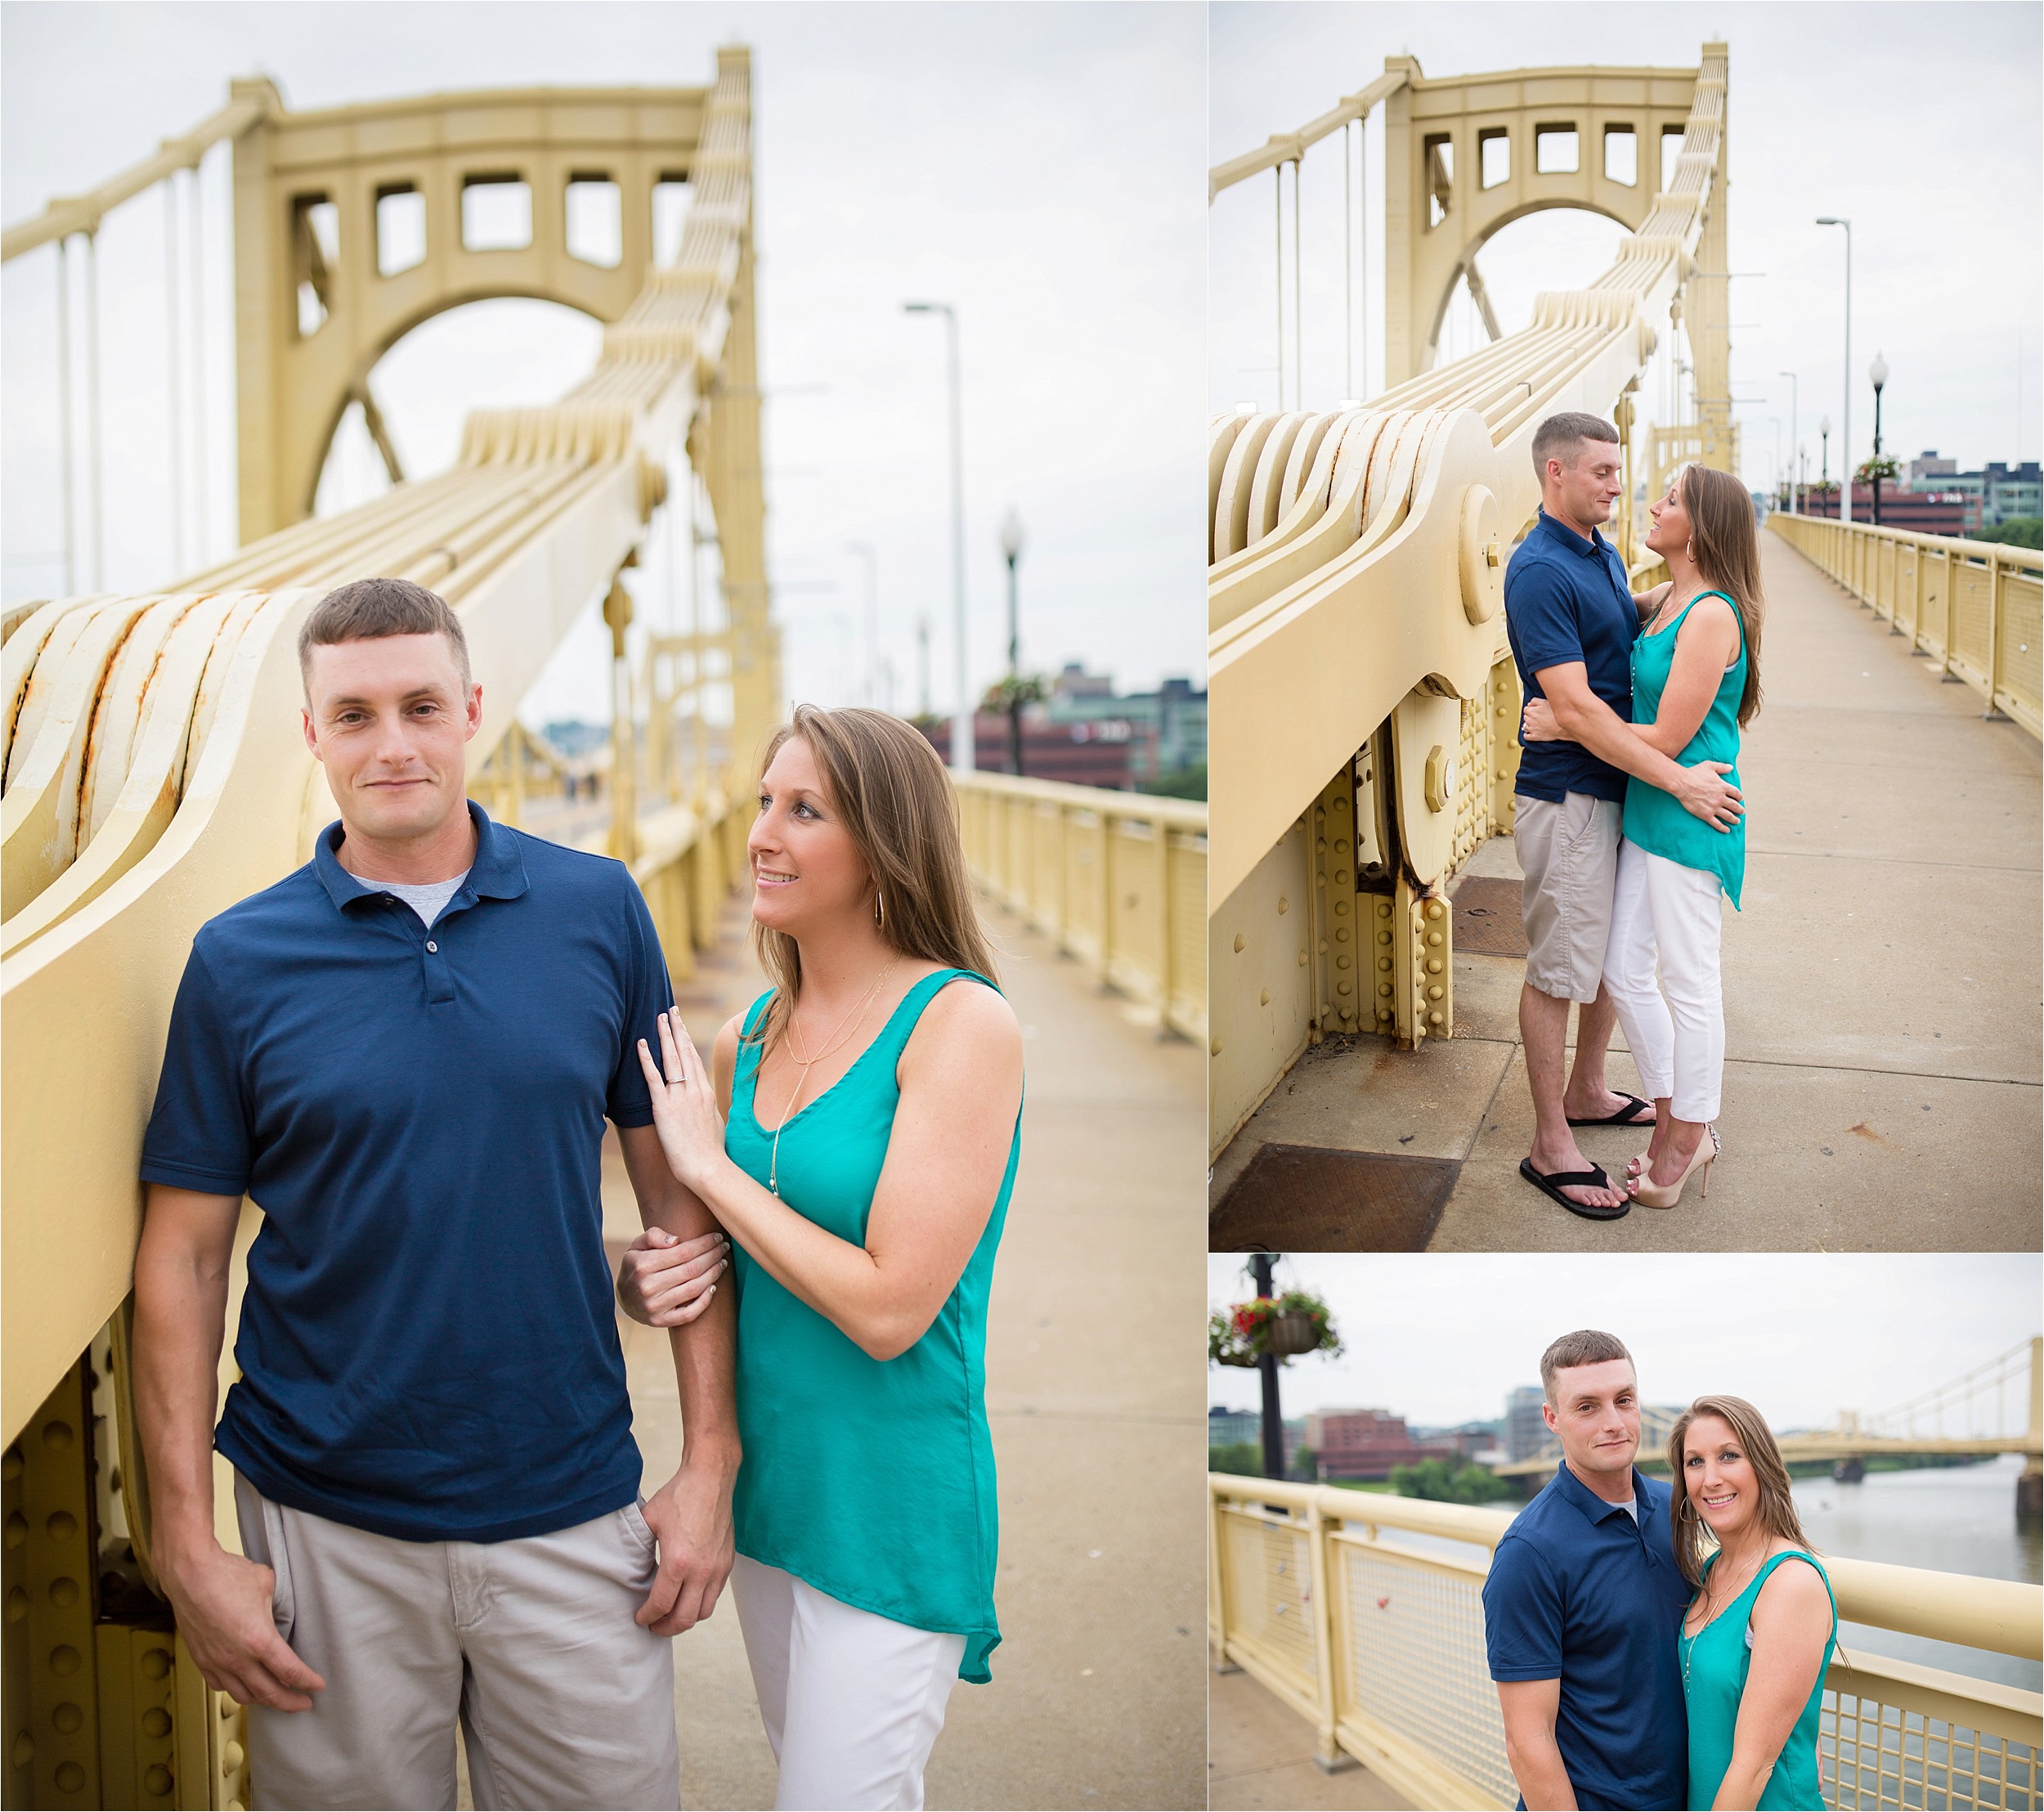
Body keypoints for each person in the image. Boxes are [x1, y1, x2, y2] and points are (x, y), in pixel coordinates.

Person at [132, 577, 732, 1811]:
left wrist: (712, 1458)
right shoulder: (236, 963)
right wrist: (186, 1544)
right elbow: (184, 1262)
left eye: (419, 707)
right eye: (353, 716)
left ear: (471, 710)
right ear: (312, 735)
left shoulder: (600, 910)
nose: (391, 744)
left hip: (569, 1505)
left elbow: (686, 1207)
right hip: (323, 1521)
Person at [616, 702, 1024, 1812]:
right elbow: (730, 1266)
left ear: (884, 844)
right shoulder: (744, 1034)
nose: (762, 833)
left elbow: (892, 1307)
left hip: (889, 1498)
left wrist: (710, 1175)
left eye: (805, 811)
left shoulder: (960, 1025)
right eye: (762, 803)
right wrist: (649, 1277)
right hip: (773, 1494)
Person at [1505, 415, 1746, 1220]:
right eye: (1603, 471)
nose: (1621, 486)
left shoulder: (1602, 553)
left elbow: (1630, 627)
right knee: (1568, 968)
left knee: (1635, 967)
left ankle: (1617, 1100)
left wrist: (1678, 601)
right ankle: (1552, 1142)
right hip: (1575, 792)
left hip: (1636, 792)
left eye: (1630, 477)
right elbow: (1574, 698)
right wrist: (1671, 775)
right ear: (1554, 473)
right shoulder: (1541, 567)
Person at [1483, 1330, 1690, 1810]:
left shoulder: (1676, 1507)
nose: (1614, 1422)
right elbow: (1527, 1740)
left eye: (1624, 1400)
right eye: (1587, 1407)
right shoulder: (1527, 1554)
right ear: (1552, 1419)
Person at [1668, 1397, 1836, 1810]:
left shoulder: (1790, 1583)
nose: (1711, 1479)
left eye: (1729, 1456)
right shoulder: (1710, 1571)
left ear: (1760, 1464)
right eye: (1695, 1462)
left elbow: (1755, 1764)